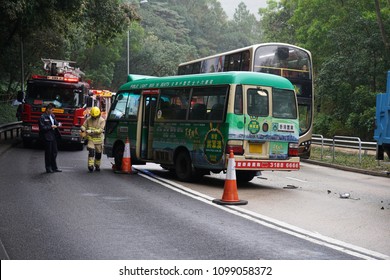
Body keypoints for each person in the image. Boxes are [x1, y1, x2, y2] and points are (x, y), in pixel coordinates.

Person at [39, 103, 62, 173]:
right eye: (52, 110)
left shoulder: (52, 116)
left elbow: (55, 123)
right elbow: (42, 128)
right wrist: (51, 127)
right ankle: (48, 168)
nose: (53, 111)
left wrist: (58, 124)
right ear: (48, 109)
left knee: (54, 152)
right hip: (47, 137)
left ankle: (54, 167)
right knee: (48, 153)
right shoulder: (42, 117)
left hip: (53, 136)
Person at [81, 106, 105, 172]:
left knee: (98, 154)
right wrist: (83, 129)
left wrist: (91, 131)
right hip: (91, 139)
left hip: (99, 140)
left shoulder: (102, 120)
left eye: (95, 116)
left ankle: (97, 165)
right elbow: (84, 125)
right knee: (91, 152)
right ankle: (90, 166)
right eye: (93, 116)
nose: (94, 117)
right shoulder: (88, 119)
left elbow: (100, 130)